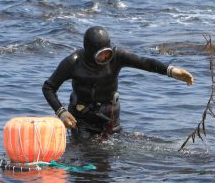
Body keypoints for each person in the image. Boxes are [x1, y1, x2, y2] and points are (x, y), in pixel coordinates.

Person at [43, 26, 194, 137]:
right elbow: (49, 87)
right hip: (82, 119)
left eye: (107, 53)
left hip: (111, 117)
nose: (105, 58)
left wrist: (172, 71)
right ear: (89, 52)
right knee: (85, 159)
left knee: (110, 160)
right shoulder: (73, 63)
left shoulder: (117, 56)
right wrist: (61, 112)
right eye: (100, 55)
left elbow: (145, 62)